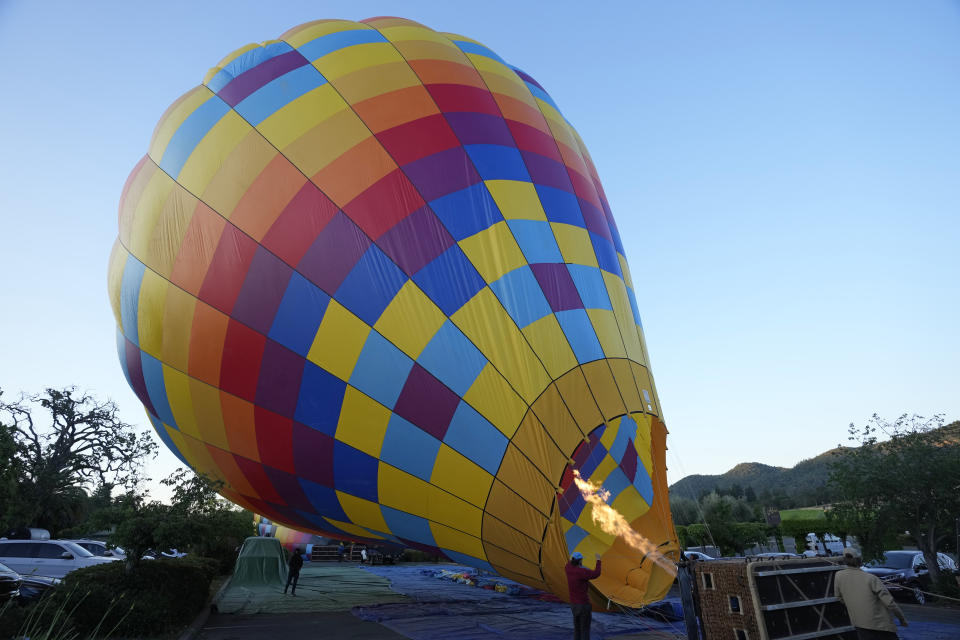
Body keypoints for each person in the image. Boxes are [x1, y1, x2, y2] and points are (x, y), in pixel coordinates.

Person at [834, 547, 908, 639]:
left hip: (859, 624)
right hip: (880, 625)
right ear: (859, 560)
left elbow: (838, 597)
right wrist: (902, 619)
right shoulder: (871, 578)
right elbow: (890, 603)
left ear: (844, 560)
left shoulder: (838, 576)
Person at [565, 552, 602, 640]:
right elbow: (596, 573)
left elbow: (570, 563)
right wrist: (598, 560)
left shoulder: (567, 568)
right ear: (580, 561)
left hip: (574, 605)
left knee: (577, 629)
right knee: (585, 629)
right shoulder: (581, 572)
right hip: (583, 605)